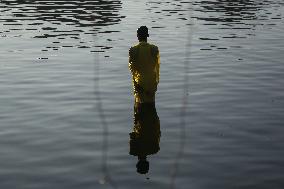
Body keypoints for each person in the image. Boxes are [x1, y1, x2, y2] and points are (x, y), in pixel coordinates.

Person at [129, 26, 160, 103]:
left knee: (140, 108)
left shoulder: (133, 50)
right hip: (151, 83)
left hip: (139, 84)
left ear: (137, 36)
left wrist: (136, 84)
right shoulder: (154, 49)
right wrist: (155, 82)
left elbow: (132, 69)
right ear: (147, 35)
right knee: (151, 106)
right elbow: (157, 67)